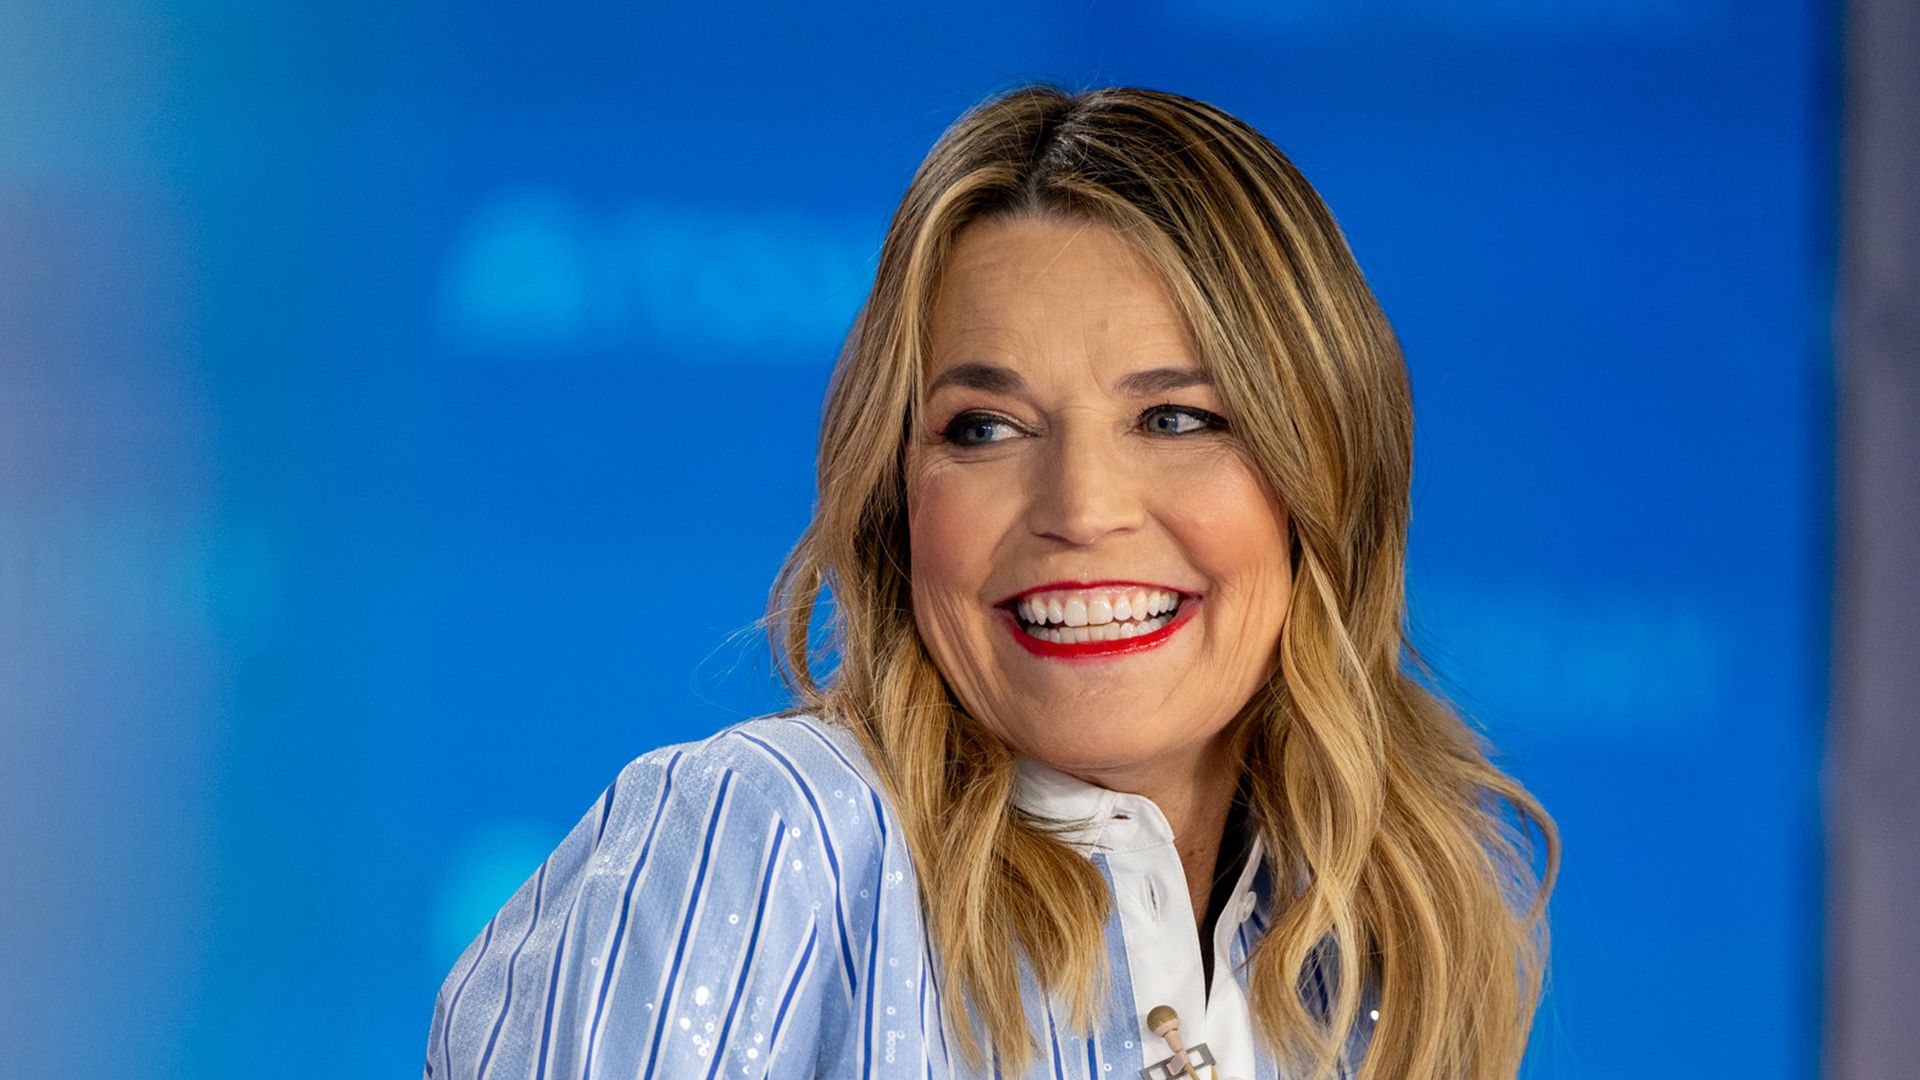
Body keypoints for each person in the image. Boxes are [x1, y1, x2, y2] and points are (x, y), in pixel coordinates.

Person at [423, 83, 1559, 1080]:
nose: (1080, 509)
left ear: (1328, 474)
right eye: (987, 427)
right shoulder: (777, 835)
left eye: (1176, 418)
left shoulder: (1370, 953)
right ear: (896, 496)